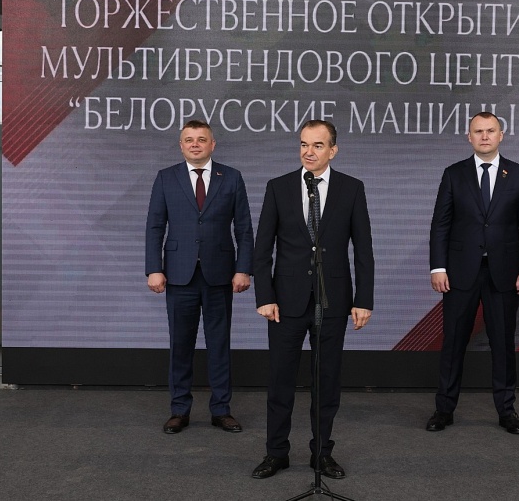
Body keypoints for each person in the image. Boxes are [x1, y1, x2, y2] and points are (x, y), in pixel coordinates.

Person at [251, 120, 374, 480]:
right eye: (304, 144)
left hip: (332, 300)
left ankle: (321, 454)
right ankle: (276, 453)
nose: (309, 151)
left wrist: (364, 299)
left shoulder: (352, 188)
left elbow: (363, 249)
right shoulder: (278, 187)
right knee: (280, 381)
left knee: (327, 382)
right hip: (284, 303)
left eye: (318, 145)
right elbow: (262, 249)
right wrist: (264, 296)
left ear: (333, 150)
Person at [426, 111, 519, 435]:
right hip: (459, 273)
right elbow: (440, 224)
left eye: (490, 130)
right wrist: (438, 266)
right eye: (478, 131)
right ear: (469, 136)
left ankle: (507, 411)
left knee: (503, 344)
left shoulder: (518, 174)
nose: (485, 136)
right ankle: (443, 410)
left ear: (501, 135)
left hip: (504, 273)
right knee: (453, 343)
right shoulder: (454, 174)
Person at [145, 120, 254, 435]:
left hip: (220, 275)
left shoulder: (231, 177)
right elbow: (155, 226)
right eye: (189, 139)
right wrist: (154, 268)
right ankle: (179, 410)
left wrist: (243, 268)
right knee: (180, 345)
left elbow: (244, 228)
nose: (195, 144)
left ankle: (221, 410)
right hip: (178, 276)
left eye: (201, 139)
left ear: (212, 144)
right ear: (181, 145)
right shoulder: (166, 177)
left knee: (219, 345)